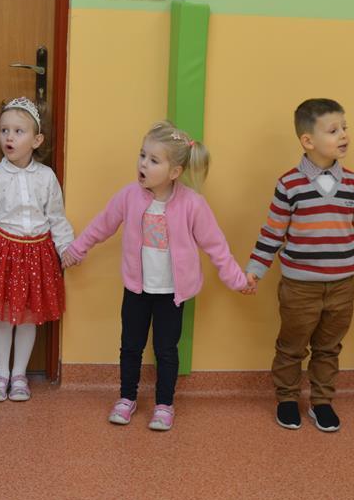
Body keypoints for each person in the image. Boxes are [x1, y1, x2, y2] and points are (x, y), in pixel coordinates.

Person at [62, 121, 254, 431]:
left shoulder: (193, 204)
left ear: (174, 171)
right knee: (130, 346)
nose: (143, 164)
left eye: (153, 160)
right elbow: (102, 224)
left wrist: (238, 280)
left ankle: (164, 404)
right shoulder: (129, 196)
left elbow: (216, 246)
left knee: (166, 350)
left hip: (171, 294)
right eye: (142, 155)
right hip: (136, 290)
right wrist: (76, 249)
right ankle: (127, 398)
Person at [245, 98, 354, 433]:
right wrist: (255, 269)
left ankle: (322, 401)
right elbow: (272, 232)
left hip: (342, 286)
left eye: (345, 128)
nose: (344, 135)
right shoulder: (289, 184)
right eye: (334, 130)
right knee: (292, 347)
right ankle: (287, 398)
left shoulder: (353, 183)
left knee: (328, 348)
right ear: (308, 141)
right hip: (299, 287)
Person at [0, 98, 74, 403]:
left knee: (27, 317)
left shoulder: (46, 177)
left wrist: (66, 246)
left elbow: (56, 217)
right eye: (4, 130)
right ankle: (1, 375)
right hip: (3, 254)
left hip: (37, 255)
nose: (9, 137)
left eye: (18, 131)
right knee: (2, 318)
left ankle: (19, 375)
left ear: (36, 140)